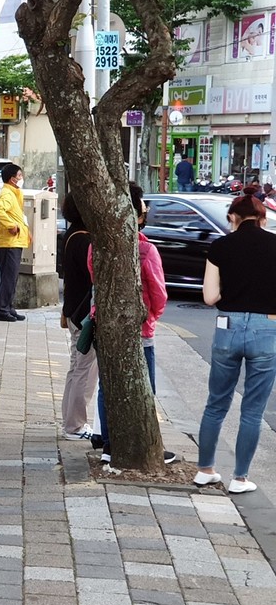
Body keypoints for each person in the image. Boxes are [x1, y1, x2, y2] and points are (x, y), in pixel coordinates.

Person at [194, 187, 276, 493]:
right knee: (252, 411)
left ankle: (205, 469)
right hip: (267, 329)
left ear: (234, 218)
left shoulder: (220, 247)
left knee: (216, 404)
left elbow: (210, 296)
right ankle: (240, 478)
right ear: (262, 218)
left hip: (227, 327)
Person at [90, 184, 175, 465]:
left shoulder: (96, 245)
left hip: (105, 324)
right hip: (140, 329)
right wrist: (151, 318)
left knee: (107, 385)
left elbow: (95, 279)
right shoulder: (146, 250)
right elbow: (159, 293)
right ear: (137, 214)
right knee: (144, 388)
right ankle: (142, 445)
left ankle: (109, 445)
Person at [59, 194, 97, 441]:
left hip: (73, 310)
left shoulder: (70, 235)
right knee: (84, 369)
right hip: (85, 314)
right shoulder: (84, 241)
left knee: (76, 367)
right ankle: (75, 425)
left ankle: (71, 421)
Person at [0, 163, 29, 322]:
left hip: (15, 241)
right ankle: (2, 310)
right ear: (12, 179)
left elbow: (18, 215)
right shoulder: (7, 193)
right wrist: (11, 226)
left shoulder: (14, 193)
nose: (21, 179)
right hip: (8, 243)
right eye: (19, 176)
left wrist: (26, 230)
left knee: (12, 277)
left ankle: (8, 307)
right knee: (8, 277)